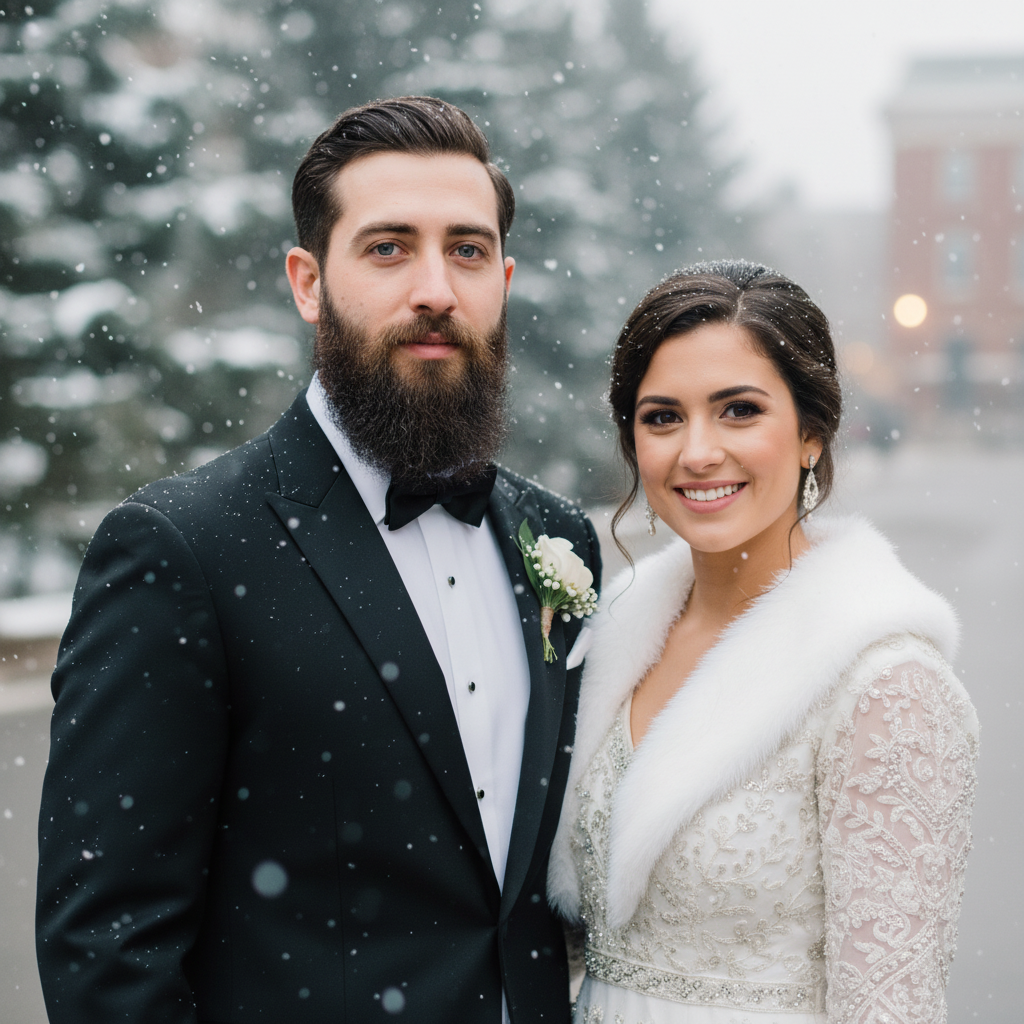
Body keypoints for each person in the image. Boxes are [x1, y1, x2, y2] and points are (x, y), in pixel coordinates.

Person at [36, 96, 600, 1024]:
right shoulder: (183, 548)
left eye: (465, 250)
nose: (435, 288)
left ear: (503, 278)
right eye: (388, 248)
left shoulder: (558, 542)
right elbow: (106, 947)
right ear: (308, 282)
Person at [547, 260, 978, 1023]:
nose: (698, 451)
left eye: (738, 410)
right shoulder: (613, 638)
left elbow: (890, 1009)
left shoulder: (884, 683)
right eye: (662, 417)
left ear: (811, 434)